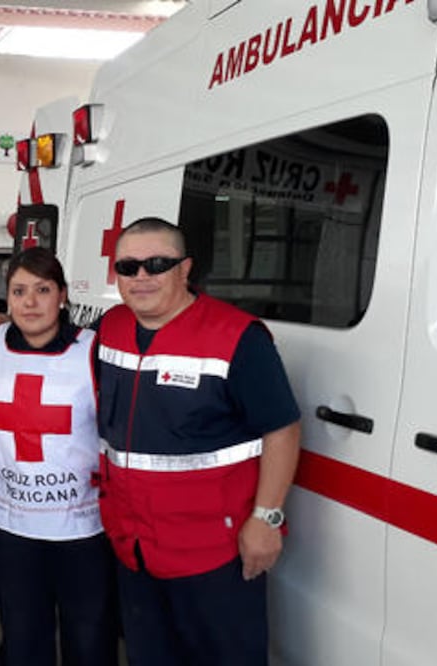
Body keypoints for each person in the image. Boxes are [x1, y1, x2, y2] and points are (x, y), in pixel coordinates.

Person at [95, 216, 302, 666]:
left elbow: (282, 429)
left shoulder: (238, 338)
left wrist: (267, 519)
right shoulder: (110, 328)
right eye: (128, 267)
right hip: (135, 548)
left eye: (157, 263)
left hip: (215, 553)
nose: (141, 276)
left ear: (185, 269)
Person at [0, 247, 116, 666]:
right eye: (19, 291)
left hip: (83, 530)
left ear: (63, 296)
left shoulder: (93, 351)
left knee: (89, 640)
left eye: (42, 289)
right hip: (15, 528)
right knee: (22, 638)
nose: (30, 302)